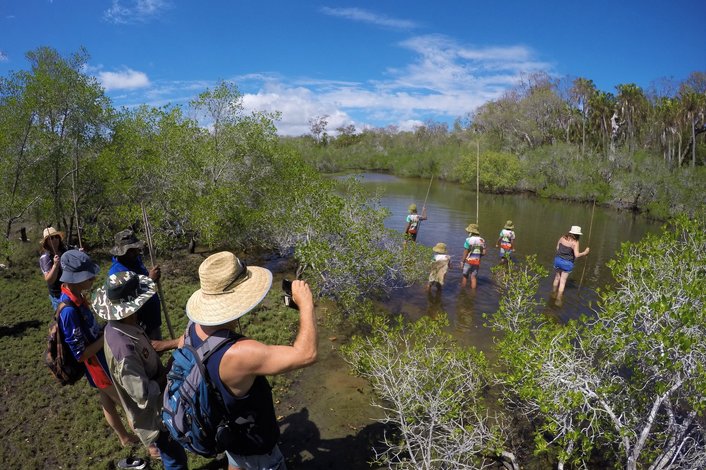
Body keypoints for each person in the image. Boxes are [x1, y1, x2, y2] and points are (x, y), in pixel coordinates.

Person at [185, 251, 318, 470]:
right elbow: (307, 354)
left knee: (235, 460)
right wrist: (306, 305)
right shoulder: (240, 353)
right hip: (256, 448)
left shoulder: (193, 328)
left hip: (228, 431)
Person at [94, 271, 188, 469]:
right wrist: (167, 372)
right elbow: (143, 394)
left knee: (175, 454)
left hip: (160, 407)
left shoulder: (120, 326)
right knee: (175, 459)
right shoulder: (124, 350)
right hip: (155, 418)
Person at [57, 250, 137, 447]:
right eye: (88, 276)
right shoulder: (68, 311)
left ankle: (124, 438)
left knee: (107, 400)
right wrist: (108, 333)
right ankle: (152, 446)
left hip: (101, 358)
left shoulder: (77, 296)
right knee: (128, 404)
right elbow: (80, 354)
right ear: (74, 280)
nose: (93, 278)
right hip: (97, 365)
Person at [109, 229, 164, 341]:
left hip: (152, 319)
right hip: (138, 325)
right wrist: (150, 280)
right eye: (131, 251)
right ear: (122, 253)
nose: (136, 253)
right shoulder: (117, 273)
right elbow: (127, 301)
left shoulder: (134, 260)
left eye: (136, 249)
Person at [553, 225, 590, 295]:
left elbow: (557, 248)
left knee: (557, 278)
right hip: (567, 263)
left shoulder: (562, 237)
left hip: (558, 260)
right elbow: (577, 255)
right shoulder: (575, 242)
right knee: (562, 282)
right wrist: (585, 252)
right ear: (578, 235)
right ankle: (558, 298)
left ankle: (553, 293)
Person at [38, 226, 69, 310]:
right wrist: (55, 265)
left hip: (72, 289)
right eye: (51, 238)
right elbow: (49, 280)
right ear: (46, 242)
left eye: (56, 237)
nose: (54, 239)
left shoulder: (65, 251)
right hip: (59, 295)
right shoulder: (46, 258)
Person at [460, 224, 486, 289]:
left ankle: (462, 291)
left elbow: (465, 252)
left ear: (471, 232)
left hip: (468, 261)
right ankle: (473, 292)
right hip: (477, 261)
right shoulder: (482, 240)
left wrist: (462, 261)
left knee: (465, 276)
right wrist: (478, 255)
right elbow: (484, 253)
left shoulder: (468, 240)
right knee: (473, 277)